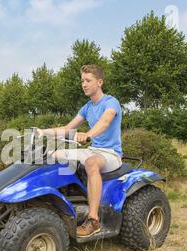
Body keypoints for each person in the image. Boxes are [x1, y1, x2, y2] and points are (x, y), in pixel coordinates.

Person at [37, 64, 123, 238]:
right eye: (82, 80)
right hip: (92, 149)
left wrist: (88, 134)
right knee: (53, 155)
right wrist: (42, 132)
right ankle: (50, 204)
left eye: (88, 80)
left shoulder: (110, 102)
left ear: (99, 82)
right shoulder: (87, 107)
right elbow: (68, 128)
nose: (84, 84)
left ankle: (93, 220)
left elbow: (105, 122)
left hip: (110, 154)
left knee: (91, 163)